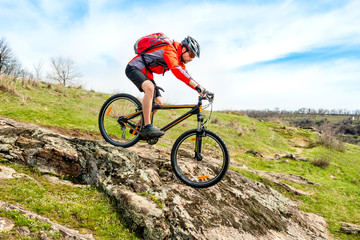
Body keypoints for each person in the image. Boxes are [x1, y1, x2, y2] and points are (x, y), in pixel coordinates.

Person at [125, 35, 209, 138]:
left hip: (145, 73)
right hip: (134, 68)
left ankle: (139, 128)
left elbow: (186, 75)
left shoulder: (178, 59)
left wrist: (201, 88)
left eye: (194, 57)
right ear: (183, 49)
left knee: (159, 102)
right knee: (150, 88)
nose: (192, 59)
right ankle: (147, 126)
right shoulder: (170, 51)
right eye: (191, 55)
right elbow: (177, 71)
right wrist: (197, 87)